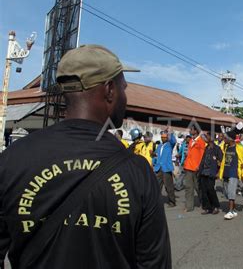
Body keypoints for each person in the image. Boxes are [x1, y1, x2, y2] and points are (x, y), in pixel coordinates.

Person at [0, 44, 171, 268]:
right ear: (110, 90)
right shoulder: (137, 170)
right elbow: (155, 263)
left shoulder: (13, 158)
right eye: (124, 88)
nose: (125, 96)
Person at [219, 131, 243, 220]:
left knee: (231, 192)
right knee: (226, 193)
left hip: (233, 173)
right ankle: (234, 210)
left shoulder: (239, 148)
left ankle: (230, 211)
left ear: (230, 139)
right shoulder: (225, 147)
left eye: (225, 138)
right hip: (225, 172)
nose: (224, 139)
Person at [183, 126, 207, 212]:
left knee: (198, 188)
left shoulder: (201, 141)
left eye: (191, 130)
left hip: (196, 168)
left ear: (196, 131)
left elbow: (202, 155)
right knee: (188, 187)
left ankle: (205, 203)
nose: (190, 131)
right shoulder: (191, 141)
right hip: (188, 167)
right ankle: (189, 206)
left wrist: (199, 166)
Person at [198, 133, 223, 215]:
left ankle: (215, 206)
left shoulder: (217, 149)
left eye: (208, 136)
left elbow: (221, 160)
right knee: (204, 191)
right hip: (203, 172)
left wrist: (218, 172)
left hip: (211, 172)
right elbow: (203, 160)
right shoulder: (206, 148)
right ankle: (207, 208)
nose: (206, 138)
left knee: (211, 190)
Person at [153, 128, 177, 207]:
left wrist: (170, 132)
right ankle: (156, 201)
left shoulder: (170, 145)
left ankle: (172, 201)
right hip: (158, 168)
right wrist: (153, 161)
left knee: (168, 186)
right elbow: (156, 156)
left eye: (165, 137)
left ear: (167, 138)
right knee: (157, 186)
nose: (163, 138)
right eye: (162, 137)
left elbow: (173, 140)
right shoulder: (159, 146)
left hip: (166, 168)